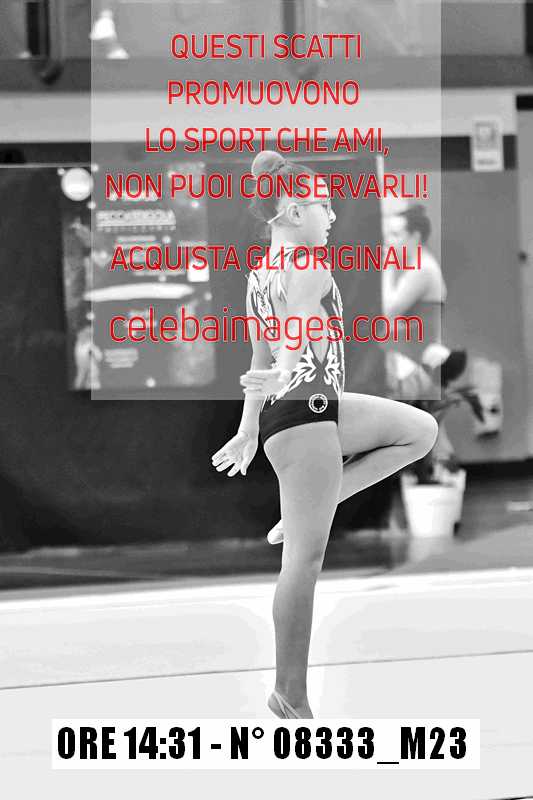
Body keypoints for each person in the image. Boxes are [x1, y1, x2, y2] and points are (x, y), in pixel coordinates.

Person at [211, 151, 438, 719]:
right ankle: (290, 694)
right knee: (303, 563)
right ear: (292, 210)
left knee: (419, 430)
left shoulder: (259, 274)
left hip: (305, 410)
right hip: (305, 415)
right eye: (323, 205)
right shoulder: (307, 263)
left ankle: (319, 501)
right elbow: (290, 333)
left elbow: (259, 358)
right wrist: (287, 370)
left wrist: (247, 428)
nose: (332, 216)